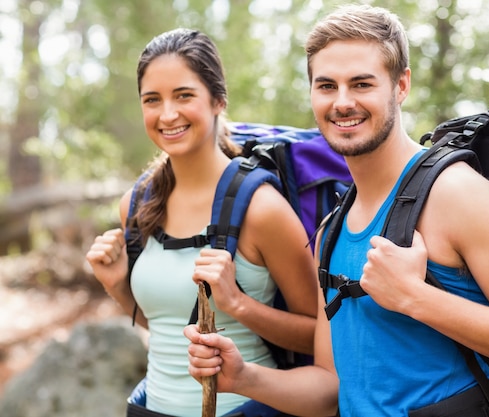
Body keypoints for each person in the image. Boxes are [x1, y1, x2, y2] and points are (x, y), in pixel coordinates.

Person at [183, 5, 489, 417]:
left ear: (401, 85)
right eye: (326, 86)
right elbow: (329, 387)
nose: (342, 103)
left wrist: (415, 297)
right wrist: (244, 377)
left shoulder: (457, 194)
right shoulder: (331, 230)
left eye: (361, 84)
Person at [85, 28, 318, 417]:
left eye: (184, 95)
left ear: (218, 101)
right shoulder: (138, 204)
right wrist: (116, 286)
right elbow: (166, 325)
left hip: (244, 409)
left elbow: (318, 337)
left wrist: (238, 304)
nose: (168, 114)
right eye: (152, 100)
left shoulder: (262, 210)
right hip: (150, 409)